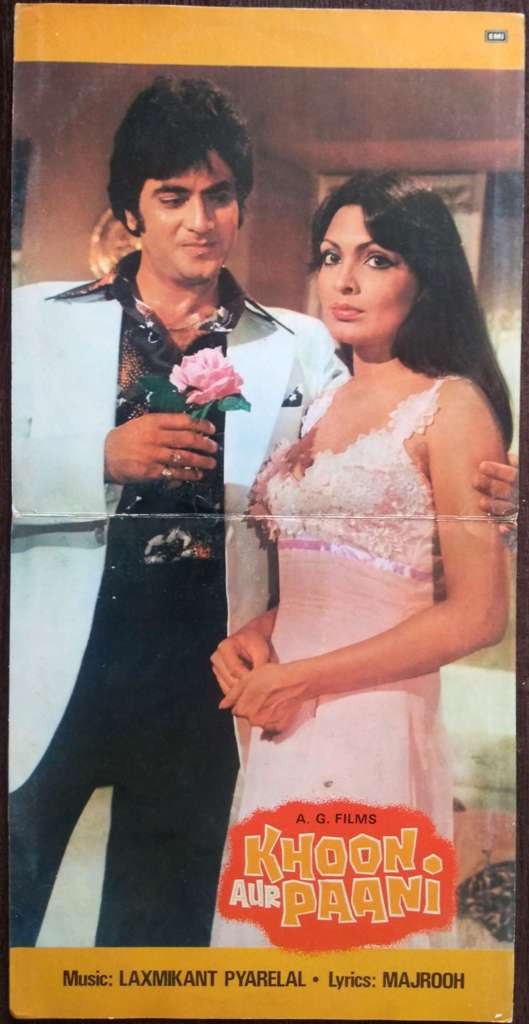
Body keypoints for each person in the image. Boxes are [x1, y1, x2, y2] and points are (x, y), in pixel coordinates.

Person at [9, 77, 349, 947]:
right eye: (172, 197)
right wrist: (96, 458)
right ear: (131, 211)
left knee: (156, 944)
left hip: (204, 678)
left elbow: (352, 485)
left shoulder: (299, 345)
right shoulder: (32, 320)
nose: (201, 220)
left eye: (219, 195)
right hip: (51, 663)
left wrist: (469, 477)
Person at [211, 171, 515, 946]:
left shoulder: (451, 407)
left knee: (347, 953)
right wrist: (257, 633)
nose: (343, 281)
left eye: (376, 259)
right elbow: (339, 571)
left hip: (370, 716)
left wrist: (304, 677)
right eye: (330, 256)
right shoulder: (322, 401)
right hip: (282, 713)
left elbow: (478, 614)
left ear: (425, 275)